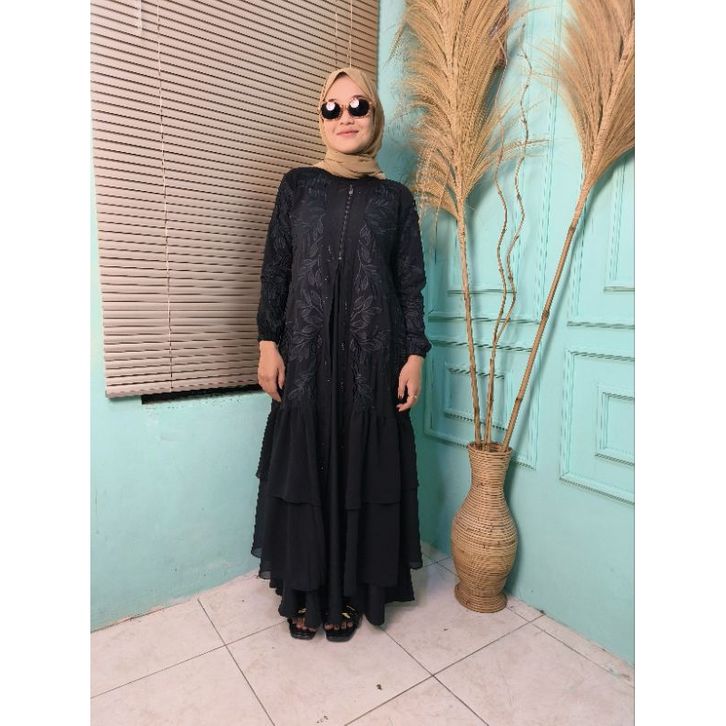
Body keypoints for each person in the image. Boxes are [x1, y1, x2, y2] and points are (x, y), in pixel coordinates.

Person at [252, 66, 432, 643]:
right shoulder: (297, 186)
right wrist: (268, 342)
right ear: (320, 119)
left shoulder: (396, 199)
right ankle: (306, 592)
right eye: (332, 108)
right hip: (305, 358)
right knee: (309, 470)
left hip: (371, 361)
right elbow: (277, 269)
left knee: (361, 469)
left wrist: (415, 354)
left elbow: (409, 283)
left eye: (358, 106)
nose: (345, 117)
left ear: (375, 118)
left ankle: (350, 593)